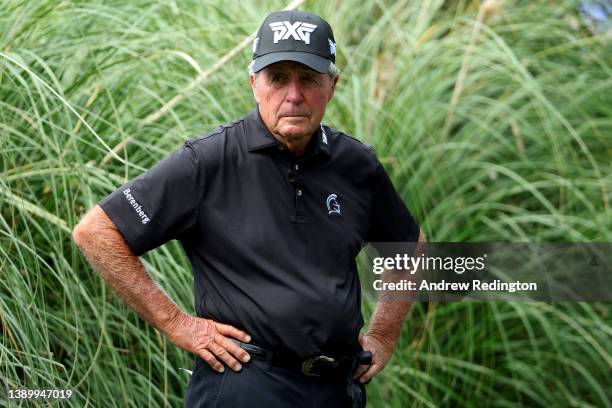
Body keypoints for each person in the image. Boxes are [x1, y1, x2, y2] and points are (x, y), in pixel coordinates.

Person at [72, 9, 425, 408]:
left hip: (336, 389)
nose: (293, 95)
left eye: (308, 79)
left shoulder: (357, 164)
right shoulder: (207, 161)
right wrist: (178, 324)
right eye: (277, 78)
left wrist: (383, 336)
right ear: (254, 83)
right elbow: (97, 231)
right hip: (245, 385)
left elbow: (409, 247)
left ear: (332, 85)